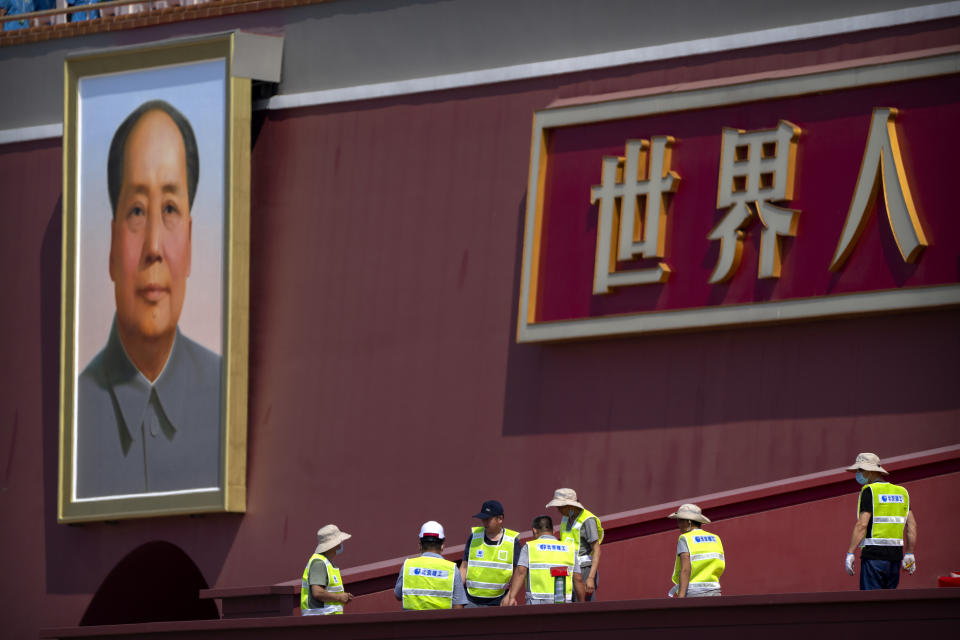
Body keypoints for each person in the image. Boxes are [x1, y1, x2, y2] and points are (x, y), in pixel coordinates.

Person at [76, 100, 222, 499]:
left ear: (190, 244)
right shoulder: (74, 416)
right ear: (110, 244)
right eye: (137, 211)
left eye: (170, 208)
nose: (154, 247)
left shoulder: (228, 401)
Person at [844, 452, 918, 590]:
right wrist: (909, 553)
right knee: (888, 604)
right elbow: (911, 525)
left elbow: (862, 524)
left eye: (860, 470)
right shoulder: (901, 492)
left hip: (873, 558)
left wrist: (850, 553)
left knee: (871, 605)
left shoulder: (870, 491)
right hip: (895, 558)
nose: (858, 474)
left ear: (870, 471)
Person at [503, 514, 585, 605]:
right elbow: (578, 578)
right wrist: (581, 603)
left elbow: (520, 572)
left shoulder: (530, 547)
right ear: (553, 531)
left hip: (536, 603)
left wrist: (512, 597)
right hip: (563, 603)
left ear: (534, 530)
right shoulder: (569, 548)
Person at [546, 488, 603, 601]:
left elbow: (597, 549)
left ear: (570, 505)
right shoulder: (566, 518)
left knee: (584, 609)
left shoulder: (588, 520)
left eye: (560, 507)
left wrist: (591, 578)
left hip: (584, 570)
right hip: (567, 569)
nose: (558, 510)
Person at [395, 521, 467, 610]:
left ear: (420, 546)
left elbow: (398, 595)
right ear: (442, 546)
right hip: (441, 623)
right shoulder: (452, 569)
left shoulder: (408, 566)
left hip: (411, 622)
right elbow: (458, 606)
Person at [460, 500, 520, 607]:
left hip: (499, 601)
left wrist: (510, 596)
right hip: (471, 600)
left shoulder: (512, 541)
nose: (484, 522)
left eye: (488, 519)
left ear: (500, 519)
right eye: (483, 519)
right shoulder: (474, 536)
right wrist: (458, 594)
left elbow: (518, 573)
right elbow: (464, 567)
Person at [667, 503, 724, 597]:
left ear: (688, 522)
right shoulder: (715, 538)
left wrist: (681, 597)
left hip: (693, 592)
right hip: (715, 590)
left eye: (680, 521)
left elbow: (685, 570)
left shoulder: (685, 538)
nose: (678, 525)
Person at [300, 524, 354, 615]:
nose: (341, 544)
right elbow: (317, 592)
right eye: (340, 541)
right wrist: (339, 597)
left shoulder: (325, 562)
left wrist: (342, 597)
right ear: (335, 545)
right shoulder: (319, 563)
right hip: (320, 619)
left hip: (325, 619)